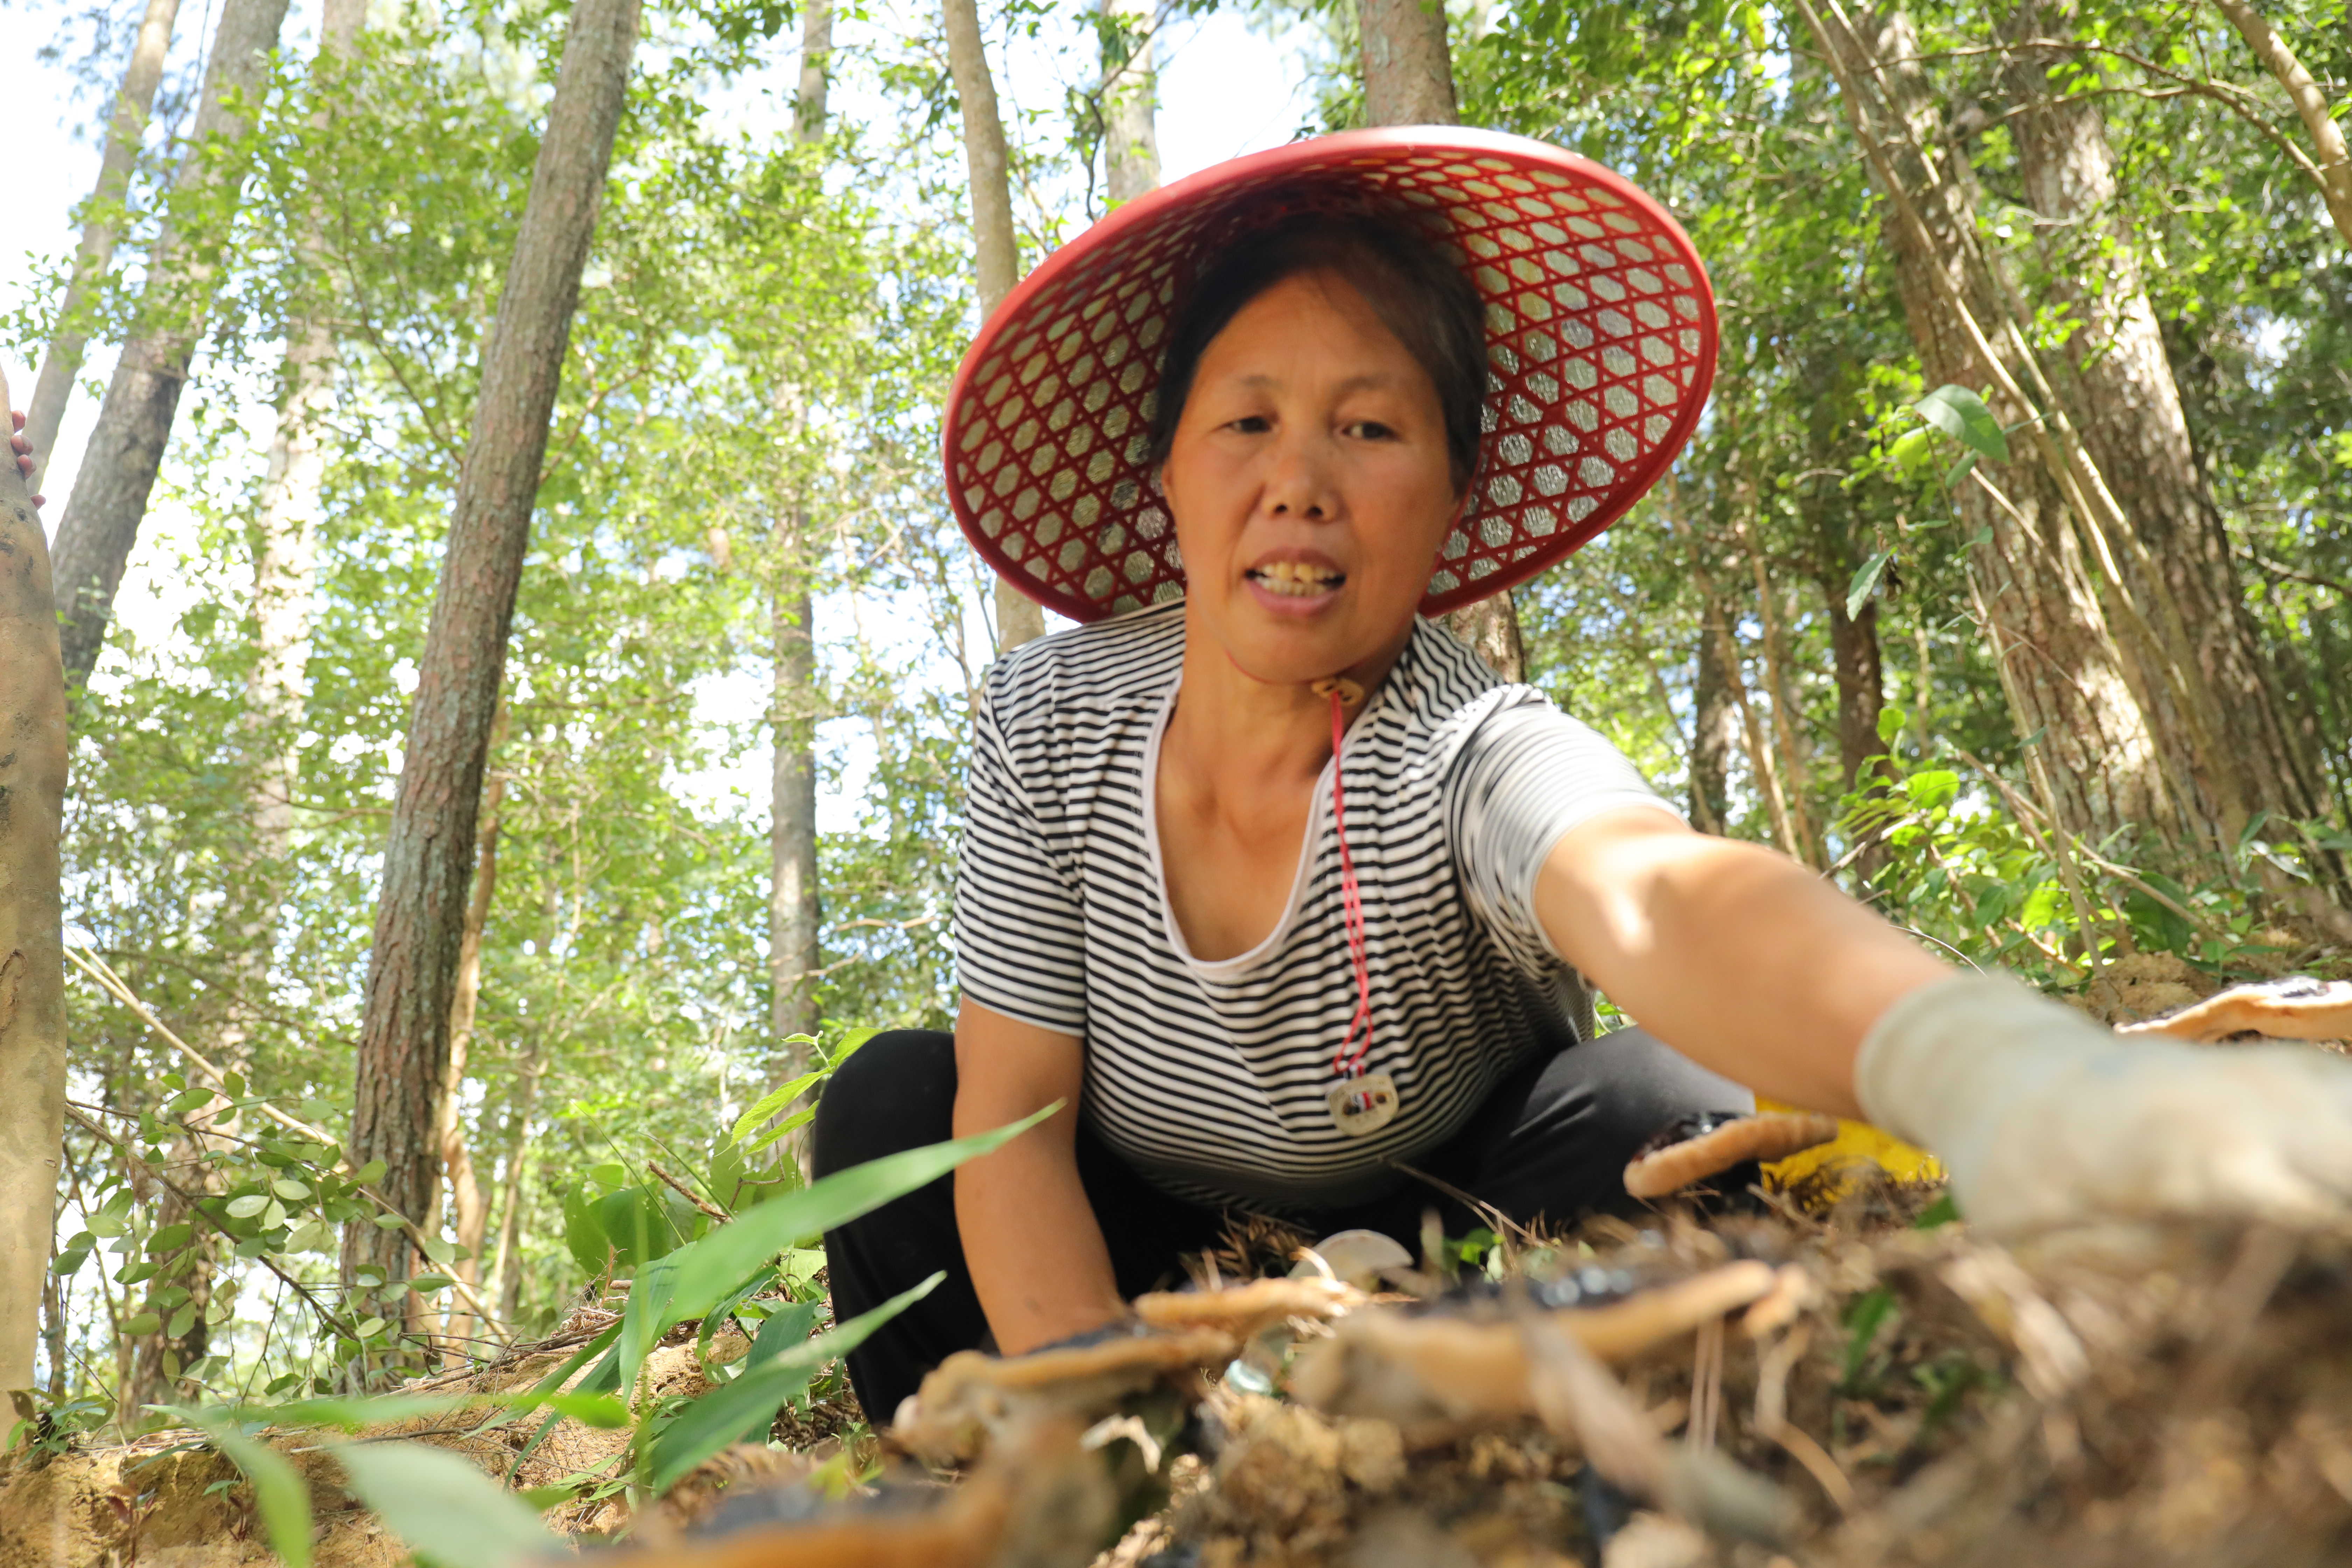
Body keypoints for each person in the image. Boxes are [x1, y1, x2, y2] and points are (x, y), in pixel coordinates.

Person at [811, 129, 2352, 1423]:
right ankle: (991, 1481)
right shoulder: (1046, 723)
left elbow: (1649, 889)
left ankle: (1507, 1402)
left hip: (1465, 1209)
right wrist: (1110, 1423)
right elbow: (1012, 1127)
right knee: (897, 1106)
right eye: (1247, 422)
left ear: (1456, 492)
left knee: (1669, 1097)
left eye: (1370, 425)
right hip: (1134, 1233)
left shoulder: (1466, 742)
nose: (1301, 478)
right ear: (1167, 478)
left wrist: (2002, 1077)